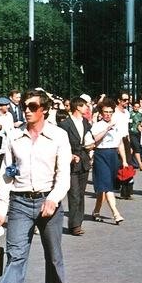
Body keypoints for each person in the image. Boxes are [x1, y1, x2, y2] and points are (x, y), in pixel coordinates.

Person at [0, 89, 72, 283]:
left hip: (48, 201)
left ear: (44, 109)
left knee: (53, 256)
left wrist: (53, 199)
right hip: (20, 202)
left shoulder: (58, 136)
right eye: (25, 106)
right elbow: (6, 175)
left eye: (33, 107)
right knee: (15, 255)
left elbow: (63, 175)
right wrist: (1, 210)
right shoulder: (14, 137)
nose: (27, 110)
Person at [58, 96, 94, 235]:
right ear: (78, 107)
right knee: (74, 194)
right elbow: (61, 144)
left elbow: (89, 137)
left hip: (84, 161)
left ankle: (78, 222)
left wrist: (91, 146)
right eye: (84, 106)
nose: (87, 108)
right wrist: (70, 155)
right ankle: (74, 225)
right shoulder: (65, 125)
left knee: (81, 193)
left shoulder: (85, 122)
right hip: (71, 162)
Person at [88, 98, 127, 224]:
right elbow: (95, 141)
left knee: (103, 186)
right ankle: (116, 213)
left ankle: (96, 211)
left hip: (113, 156)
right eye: (105, 112)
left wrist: (125, 160)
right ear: (101, 113)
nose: (108, 114)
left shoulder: (117, 125)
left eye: (110, 112)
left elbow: (120, 143)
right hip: (101, 155)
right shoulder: (97, 125)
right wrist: (106, 130)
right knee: (107, 186)